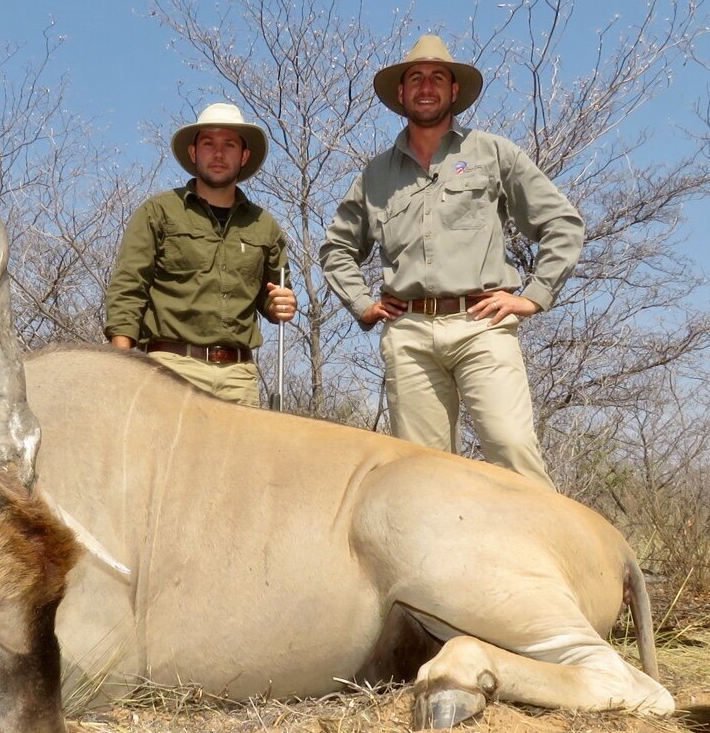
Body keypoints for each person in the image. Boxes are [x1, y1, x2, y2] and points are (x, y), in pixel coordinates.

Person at [319, 35, 584, 490]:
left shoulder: (493, 153)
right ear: (401, 94)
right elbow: (337, 248)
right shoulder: (376, 175)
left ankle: (554, 559)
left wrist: (534, 296)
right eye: (415, 78)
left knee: (512, 448)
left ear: (453, 91)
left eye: (437, 77)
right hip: (409, 335)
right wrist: (362, 303)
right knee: (424, 475)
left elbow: (561, 222)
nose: (426, 87)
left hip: (483, 324)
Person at [105, 103, 297, 407]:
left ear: (244, 156)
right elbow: (129, 288)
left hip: (239, 376)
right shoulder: (158, 212)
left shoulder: (265, 226)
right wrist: (121, 363)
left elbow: (273, 296)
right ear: (194, 153)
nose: (218, 154)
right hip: (171, 368)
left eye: (229, 145)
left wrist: (281, 305)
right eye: (209, 144)